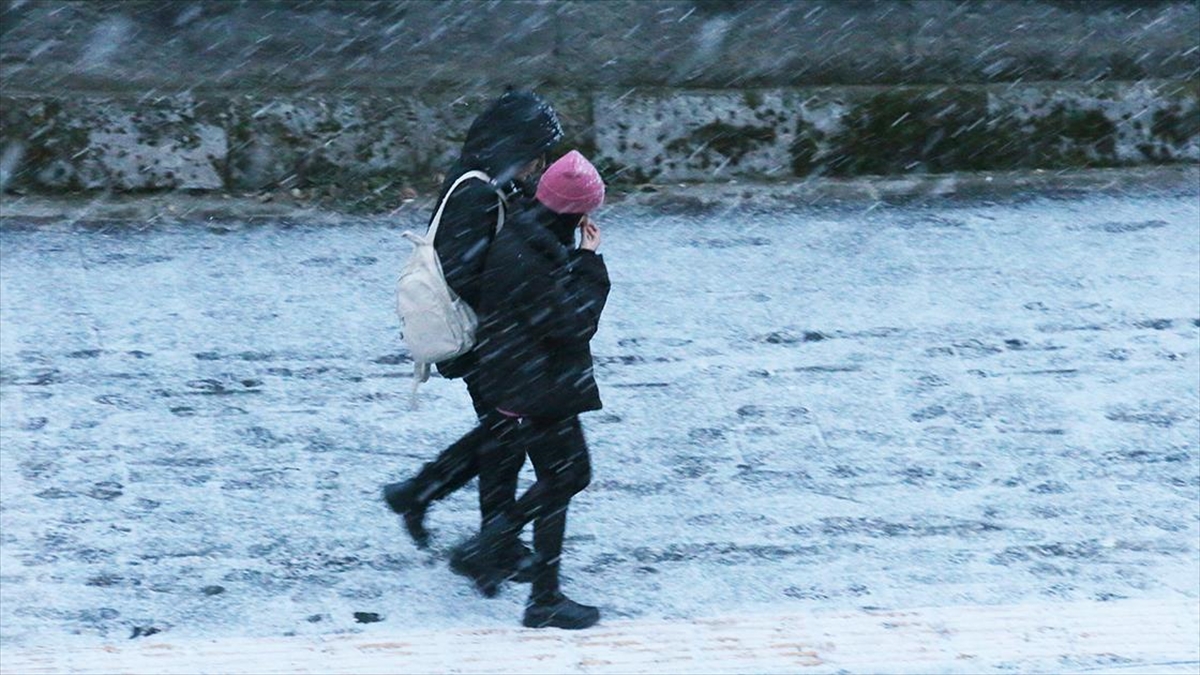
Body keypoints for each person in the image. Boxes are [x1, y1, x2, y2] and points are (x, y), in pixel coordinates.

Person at [382, 89, 563, 579]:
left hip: (493, 337)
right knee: (507, 438)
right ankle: (489, 540)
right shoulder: (477, 191)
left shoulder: (487, 183)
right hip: (483, 338)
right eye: (535, 154)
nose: (539, 165)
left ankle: (423, 497)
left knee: (503, 435)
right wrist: (516, 312)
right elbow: (465, 271)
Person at [451, 150, 611, 630]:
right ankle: (508, 563)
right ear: (574, 211)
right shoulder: (533, 255)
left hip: (522, 378)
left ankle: (532, 584)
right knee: (568, 476)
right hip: (537, 386)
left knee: (559, 480)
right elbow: (575, 325)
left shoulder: (524, 231)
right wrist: (588, 263)